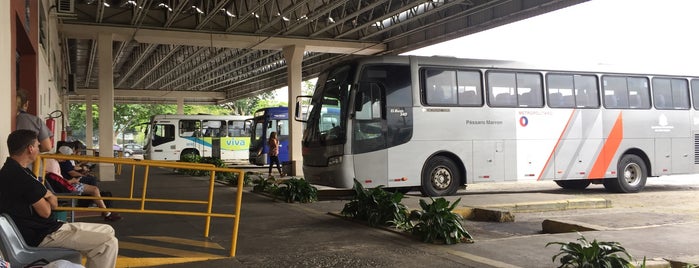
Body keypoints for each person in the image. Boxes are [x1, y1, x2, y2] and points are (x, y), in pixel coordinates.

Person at [0, 129, 118, 268]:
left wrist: (48, 196)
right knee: (107, 243)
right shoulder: (21, 177)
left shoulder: (12, 170)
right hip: (43, 235)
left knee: (108, 231)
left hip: (48, 228)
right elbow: (47, 211)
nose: (39, 149)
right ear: (30, 149)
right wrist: (49, 195)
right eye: (38, 146)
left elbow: (50, 203)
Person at [44, 156, 121, 221]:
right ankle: (106, 213)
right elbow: (58, 181)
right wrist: (72, 181)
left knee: (94, 188)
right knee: (94, 189)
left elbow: (58, 180)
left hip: (63, 186)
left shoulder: (49, 161)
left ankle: (105, 211)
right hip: (66, 188)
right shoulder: (52, 163)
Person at [16, 88, 53, 152]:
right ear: (26, 104)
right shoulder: (35, 121)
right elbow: (47, 147)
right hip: (28, 160)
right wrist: (34, 149)